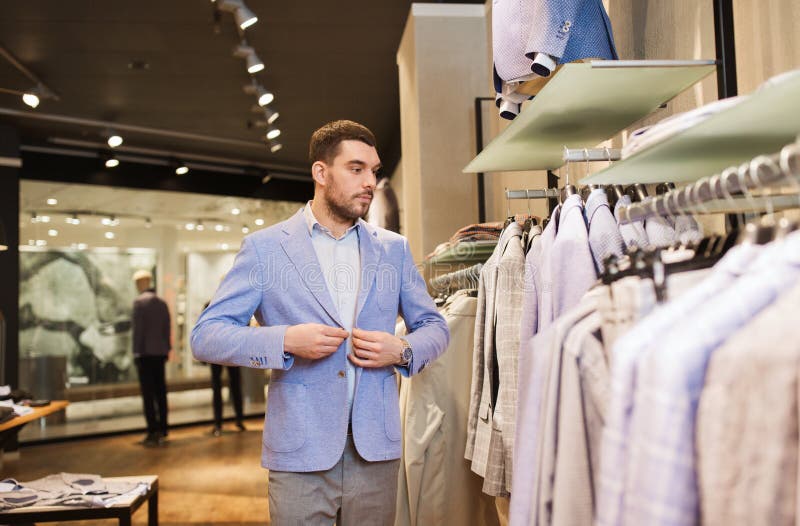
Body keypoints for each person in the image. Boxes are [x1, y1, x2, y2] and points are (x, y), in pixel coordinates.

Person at [191, 119, 450, 525]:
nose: (369, 181)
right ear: (320, 172)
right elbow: (206, 335)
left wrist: (401, 350)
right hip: (299, 453)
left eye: (374, 170)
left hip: (375, 452)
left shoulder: (393, 250)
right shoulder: (265, 249)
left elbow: (436, 326)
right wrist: (285, 340)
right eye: (356, 168)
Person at [131, 269, 171, 447]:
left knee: (148, 394)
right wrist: (166, 349)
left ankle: (152, 431)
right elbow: (167, 329)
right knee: (161, 392)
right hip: (160, 353)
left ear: (140, 283)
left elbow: (138, 332)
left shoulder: (139, 303)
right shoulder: (161, 303)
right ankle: (163, 428)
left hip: (145, 354)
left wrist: (136, 352)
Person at [202, 301, 246, 436]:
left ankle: (224, 422)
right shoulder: (233, 305)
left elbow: (204, 329)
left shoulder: (211, 305)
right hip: (224, 350)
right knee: (229, 385)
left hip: (222, 350)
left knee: (228, 385)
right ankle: (229, 421)